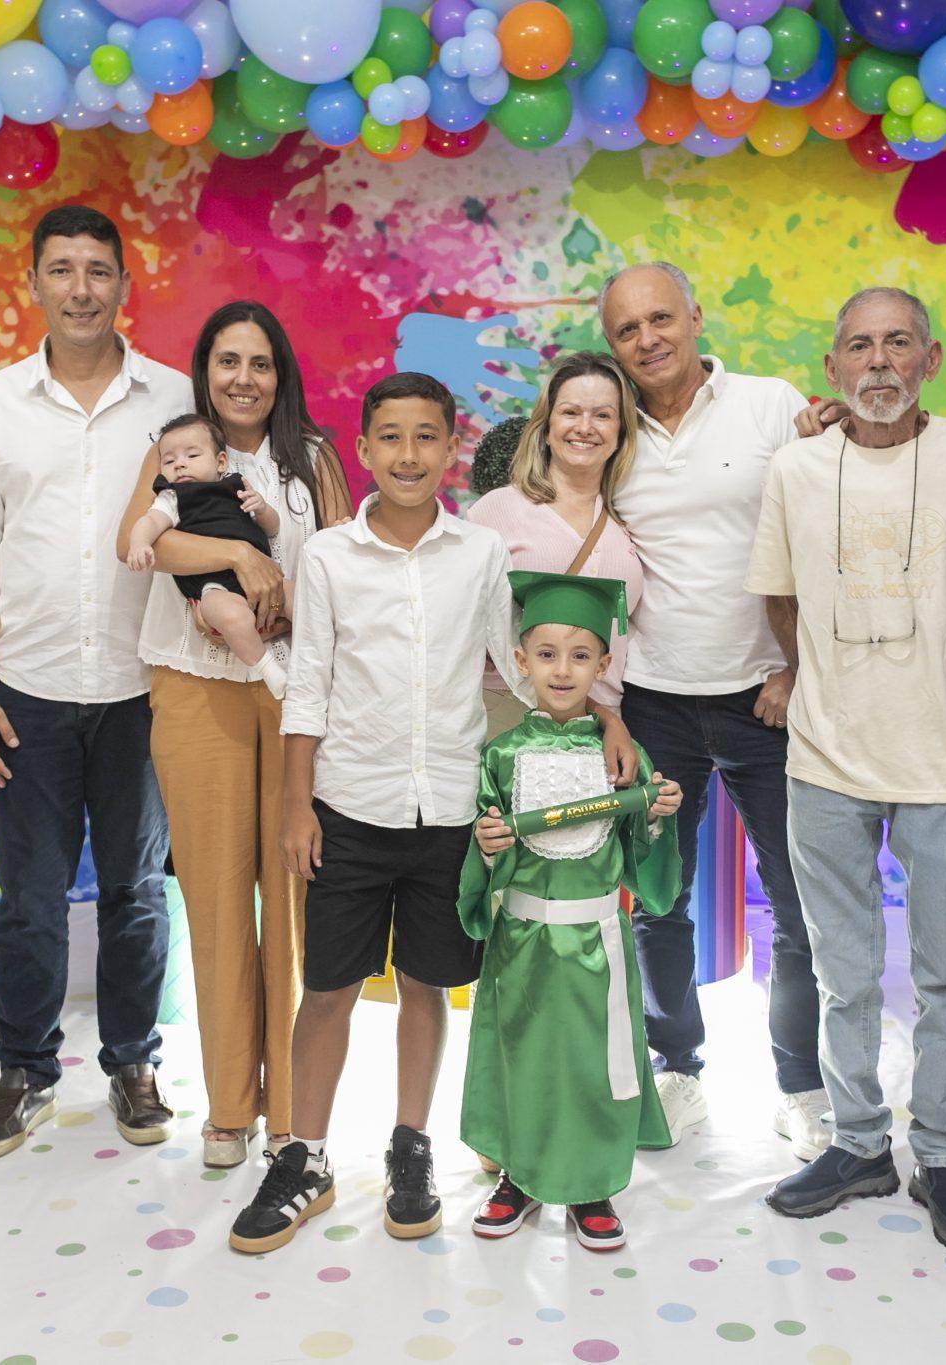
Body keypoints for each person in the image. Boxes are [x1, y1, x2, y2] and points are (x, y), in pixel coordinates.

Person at [228, 373, 635, 1254]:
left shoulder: (479, 553)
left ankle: (410, 1146)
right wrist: (296, 806)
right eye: (390, 436)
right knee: (327, 989)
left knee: (426, 982)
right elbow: (308, 687)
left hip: (450, 811)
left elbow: (516, 662)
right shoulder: (329, 556)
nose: (408, 454)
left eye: (426, 437)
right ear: (364, 449)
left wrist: (604, 713)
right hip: (348, 805)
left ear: (453, 448)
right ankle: (303, 1156)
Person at [747, 289, 946, 1258]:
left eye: (897, 342)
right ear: (832, 368)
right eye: (858, 345)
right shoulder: (794, 467)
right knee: (842, 972)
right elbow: (779, 596)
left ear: (929, 358)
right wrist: (825, 679)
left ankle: (942, 1156)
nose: (877, 362)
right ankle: (859, 1143)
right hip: (826, 758)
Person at [0, 204, 189, 1161]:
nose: (80, 289)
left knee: (136, 890)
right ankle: (26, 1070)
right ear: (35, 283)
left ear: (124, 283)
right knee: (30, 896)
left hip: (143, 688)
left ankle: (133, 1062)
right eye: (62, 270)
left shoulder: (172, 398)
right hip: (31, 691)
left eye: (97, 270)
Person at [598, 261, 826, 1159]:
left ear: (695, 316)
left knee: (798, 901)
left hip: (766, 696)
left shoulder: (771, 406)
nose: (648, 339)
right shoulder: (608, 428)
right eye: (627, 329)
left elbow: (827, 534)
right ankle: (677, 1068)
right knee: (659, 900)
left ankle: (801, 1084)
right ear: (611, 344)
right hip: (655, 700)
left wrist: (799, 665)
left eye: (661, 318)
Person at [116, 301, 352, 1170]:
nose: (243, 379)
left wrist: (282, 595)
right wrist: (242, 558)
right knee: (214, 899)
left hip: (294, 695)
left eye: (259, 363)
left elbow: (345, 559)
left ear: (280, 373)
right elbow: (142, 542)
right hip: (194, 689)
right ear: (204, 371)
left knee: (293, 899)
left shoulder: (312, 458)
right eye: (227, 361)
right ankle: (228, 1105)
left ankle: (292, 1107)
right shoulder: (176, 448)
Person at [460, 571, 684, 1252]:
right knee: (523, 1058)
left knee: (591, 1063)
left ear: (603, 665)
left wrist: (656, 816)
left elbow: (643, 858)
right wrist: (488, 847)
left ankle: (591, 1183)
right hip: (523, 942)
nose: (563, 670)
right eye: (547, 654)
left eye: (581, 655)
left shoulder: (623, 757)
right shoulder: (500, 755)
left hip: (596, 943)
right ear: (520, 661)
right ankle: (519, 1176)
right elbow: (482, 856)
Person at [466, 352, 645, 739]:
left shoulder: (629, 518)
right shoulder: (499, 509)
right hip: (511, 714)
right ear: (546, 426)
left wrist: (609, 720)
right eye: (570, 412)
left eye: (602, 415)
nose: (585, 427)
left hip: (603, 724)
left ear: (621, 431)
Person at [123, 413, 285, 696]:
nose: (179, 464)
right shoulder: (173, 497)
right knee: (233, 619)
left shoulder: (237, 487)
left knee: (301, 598)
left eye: (192, 455)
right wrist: (139, 544)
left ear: (220, 462)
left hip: (263, 580)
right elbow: (149, 522)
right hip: (215, 585)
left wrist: (261, 508)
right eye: (169, 461)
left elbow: (273, 528)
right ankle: (269, 669)